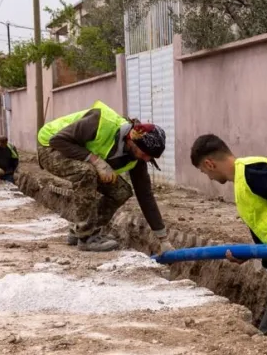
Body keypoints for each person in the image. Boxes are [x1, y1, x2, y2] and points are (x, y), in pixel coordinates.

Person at [189, 134, 267, 350]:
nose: (208, 177)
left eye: (204, 171)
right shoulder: (242, 181)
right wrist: (250, 253)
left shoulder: (253, 173)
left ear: (210, 164)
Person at [35, 100, 173, 253]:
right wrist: (95, 160)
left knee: (121, 191)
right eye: (145, 154)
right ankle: (86, 237)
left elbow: (145, 195)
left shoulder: (137, 158)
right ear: (132, 140)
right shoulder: (101, 122)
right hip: (50, 147)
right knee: (87, 172)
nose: (146, 159)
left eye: (150, 157)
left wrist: (163, 239)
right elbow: (57, 140)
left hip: (76, 156)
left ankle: (79, 230)